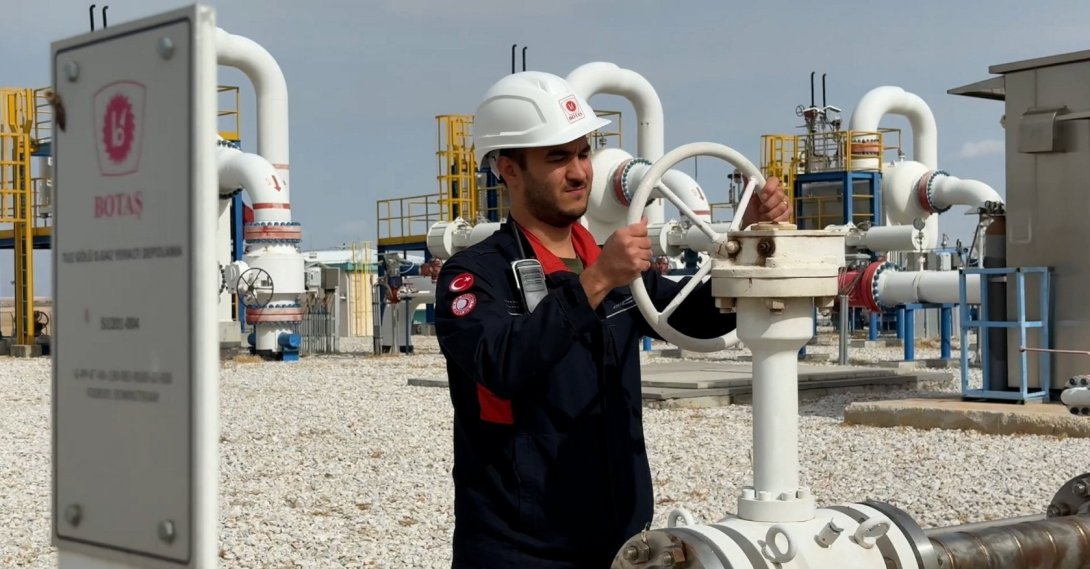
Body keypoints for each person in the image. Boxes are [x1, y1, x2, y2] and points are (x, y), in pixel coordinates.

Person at [434, 71, 791, 568]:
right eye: (557, 158)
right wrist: (596, 281)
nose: (579, 172)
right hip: (520, 552)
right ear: (509, 169)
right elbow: (501, 363)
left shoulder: (611, 268)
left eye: (583, 153)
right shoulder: (475, 276)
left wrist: (747, 243)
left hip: (620, 545)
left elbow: (697, 318)